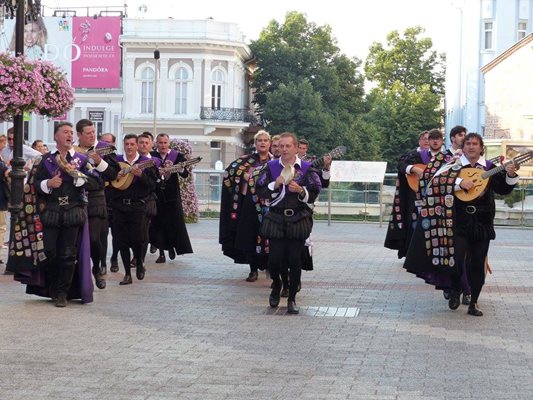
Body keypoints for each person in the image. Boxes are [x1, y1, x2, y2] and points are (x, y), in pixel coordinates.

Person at [403, 132, 518, 316]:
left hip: (482, 222)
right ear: (462, 147)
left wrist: (511, 175)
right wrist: (458, 182)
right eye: (468, 144)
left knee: (478, 262)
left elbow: (503, 189)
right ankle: (456, 290)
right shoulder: (453, 165)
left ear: (481, 148)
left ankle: (473, 302)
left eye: (475, 144)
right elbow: (435, 182)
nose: (471, 147)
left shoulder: (489, 167)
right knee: (455, 259)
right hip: (457, 221)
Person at [31, 122, 99, 307]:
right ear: (56, 137)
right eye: (65, 132)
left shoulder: (81, 160)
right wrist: (48, 183)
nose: (70, 136)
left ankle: (62, 292)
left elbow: (96, 183)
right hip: (51, 212)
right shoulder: (45, 160)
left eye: (71, 133)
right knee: (48, 252)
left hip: (72, 212)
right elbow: (35, 184)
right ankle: (53, 286)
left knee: (68, 255)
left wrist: (79, 179)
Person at [256, 132, 322, 314]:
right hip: (276, 217)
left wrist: (301, 190)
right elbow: (259, 189)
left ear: (295, 148)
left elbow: (316, 190)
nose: (284, 149)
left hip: (298, 218)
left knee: (294, 260)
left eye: (288, 146)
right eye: (281, 146)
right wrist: (274, 185)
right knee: (275, 260)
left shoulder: (307, 169)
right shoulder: (270, 167)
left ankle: (292, 298)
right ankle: (277, 284)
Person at [219, 130, 272, 282]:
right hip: (249, 205)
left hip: (269, 205)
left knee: (269, 236)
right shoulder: (246, 161)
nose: (262, 143)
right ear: (255, 144)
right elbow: (230, 172)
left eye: (265, 140)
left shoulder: (275, 162)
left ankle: (269, 266)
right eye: (259, 140)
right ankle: (253, 269)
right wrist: (243, 176)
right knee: (251, 236)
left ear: (269, 143)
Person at [75, 119, 119, 290]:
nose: (93, 135)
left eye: (94, 132)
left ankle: (98, 268)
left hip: (97, 199)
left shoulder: (103, 149)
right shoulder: (73, 151)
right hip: (76, 199)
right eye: (88, 133)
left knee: (95, 238)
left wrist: (99, 161)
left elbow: (113, 174)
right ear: (79, 135)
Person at [108, 134, 158, 285]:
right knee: (121, 240)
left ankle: (140, 263)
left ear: (137, 146)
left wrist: (141, 175)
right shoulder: (116, 161)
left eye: (132, 144)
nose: (129, 147)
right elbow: (108, 181)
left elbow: (152, 185)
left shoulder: (147, 163)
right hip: (119, 207)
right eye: (127, 144)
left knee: (138, 239)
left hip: (138, 206)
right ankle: (127, 274)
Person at [384, 130, 433, 258]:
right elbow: (401, 165)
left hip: (433, 197)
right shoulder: (411, 155)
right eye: (424, 138)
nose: (427, 141)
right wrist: (413, 168)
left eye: (430, 138)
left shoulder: (440, 156)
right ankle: (412, 254)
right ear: (419, 141)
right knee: (414, 224)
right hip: (413, 197)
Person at [149, 133, 193, 263]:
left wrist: (179, 169)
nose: (162, 145)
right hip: (157, 194)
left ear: (169, 143)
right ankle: (161, 252)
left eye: (165, 142)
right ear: (156, 143)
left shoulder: (177, 156)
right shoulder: (152, 156)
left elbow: (185, 175)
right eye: (160, 142)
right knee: (158, 224)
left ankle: (172, 247)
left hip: (172, 195)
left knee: (173, 223)